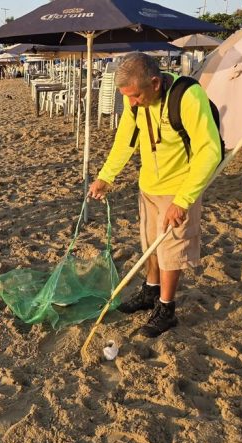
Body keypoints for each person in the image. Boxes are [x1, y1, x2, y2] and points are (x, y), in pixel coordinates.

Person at [88, 52, 221, 338]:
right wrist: (105, 177)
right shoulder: (134, 98)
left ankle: (166, 308)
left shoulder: (188, 96)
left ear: (155, 83)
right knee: (150, 244)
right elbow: (125, 139)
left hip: (179, 188)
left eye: (136, 96)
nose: (132, 102)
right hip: (148, 186)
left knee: (171, 251)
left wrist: (183, 200)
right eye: (128, 97)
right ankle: (150, 291)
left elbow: (210, 151)